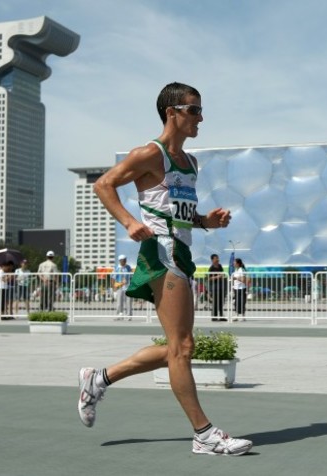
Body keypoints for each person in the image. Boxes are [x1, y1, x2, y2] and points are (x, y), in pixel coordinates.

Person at [78, 82, 252, 456]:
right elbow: (104, 184)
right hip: (159, 254)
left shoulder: (189, 163)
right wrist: (127, 222)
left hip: (183, 254)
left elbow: (180, 215)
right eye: (194, 110)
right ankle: (204, 434)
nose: (201, 118)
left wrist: (207, 222)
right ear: (172, 112)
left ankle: (99, 378)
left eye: (201, 110)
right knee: (183, 347)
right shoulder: (149, 154)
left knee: (177, 347)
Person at [112, 255, 133, 320]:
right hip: (119, 287)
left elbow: (131, 277)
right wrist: (114, 288)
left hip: (127, 287)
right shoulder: (116, 268)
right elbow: (113, 278)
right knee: (119, 303)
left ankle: (129, 316)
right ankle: (119, 315)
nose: (125, 261)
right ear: (120, 261)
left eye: (125, 260)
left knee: (128, 302)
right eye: (123, 260)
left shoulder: (128, 267)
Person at [208, 254, 226, 321]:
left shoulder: (220, 266)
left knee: (221, 302)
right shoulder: (211, 268)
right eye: (216, 258)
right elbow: (209, 278)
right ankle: (214, 317)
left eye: (218, 258)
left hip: (221, 286)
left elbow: (222, 273)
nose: (217, 259)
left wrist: (222, 275)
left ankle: (221, 316)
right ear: (212, 260)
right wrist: (217, 277)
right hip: (215, 288)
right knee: (215, 302)